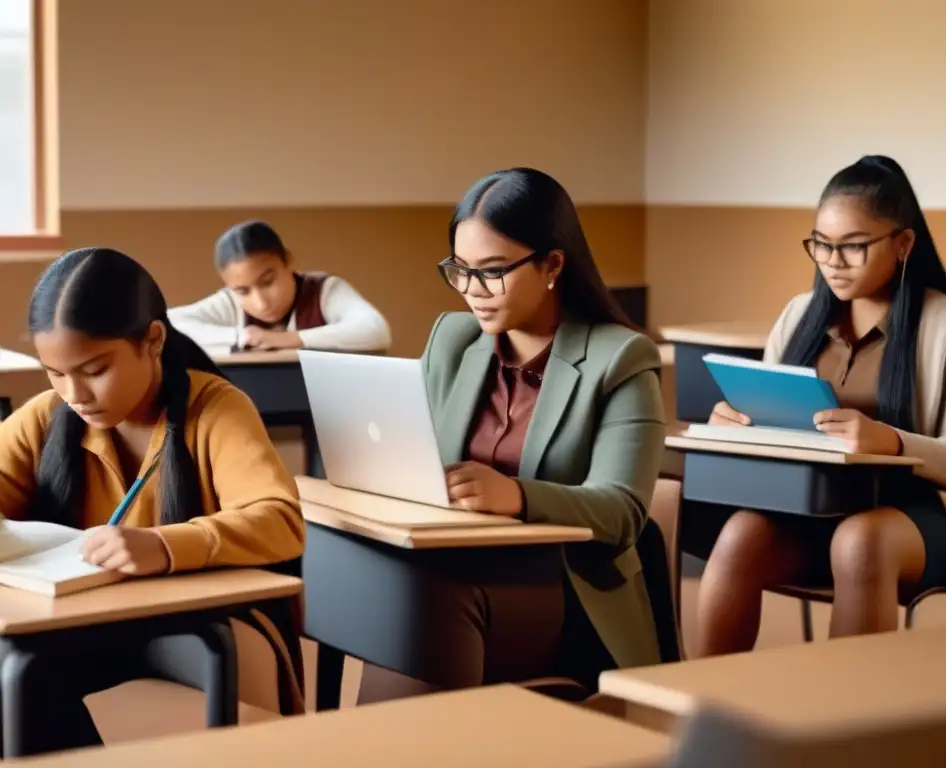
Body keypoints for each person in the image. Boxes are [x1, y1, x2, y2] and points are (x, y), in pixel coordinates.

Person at [357, 167, 667, 703]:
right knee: (393, 589)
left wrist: (518, 496)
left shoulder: (622, 359)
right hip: (454, 563)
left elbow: (623, 514)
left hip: (568, 592)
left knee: (427, 599)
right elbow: (418, 457)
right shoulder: (453, 339)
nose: (472, 292)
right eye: (460, 270)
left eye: (493, 271)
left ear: (552, 264)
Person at [690, 156, 946, 657]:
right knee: (739, 535)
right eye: (821, 244)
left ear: (903, 245)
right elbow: (773, 433)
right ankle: (701, 711)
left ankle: (845, 721)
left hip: (920, 519)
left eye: (854, 246)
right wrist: (733, 426)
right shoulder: (799, 316)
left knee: (862, 541)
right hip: (812, 509)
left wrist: (895, 440)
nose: (832, 261)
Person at [0, 247, 306, 754]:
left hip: (201, 620)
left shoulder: (217, 410)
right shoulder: (46, 416)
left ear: (153, 340)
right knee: (18, 680)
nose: (73, 392)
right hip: (77, 622)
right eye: (54, 373)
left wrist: (165, 545)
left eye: (95, 369)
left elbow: (279, 520)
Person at [168, 220, 391, 352]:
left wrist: (289, 339)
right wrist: (242, 337)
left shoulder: (325, 291)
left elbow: (376, 330)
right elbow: (169, 323)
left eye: (268, 281)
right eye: (243, 291)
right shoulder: (230, 303)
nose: (261, 303)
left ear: (288, 261)